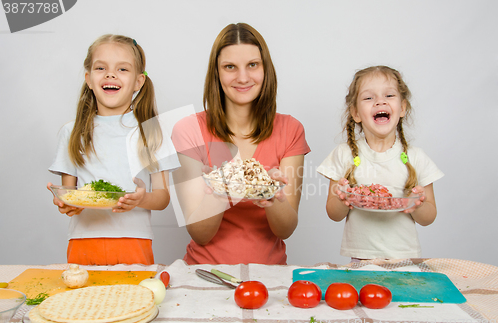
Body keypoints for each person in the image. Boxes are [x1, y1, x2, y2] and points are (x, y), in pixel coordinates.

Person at [171, 23, 311, 265]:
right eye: (230, 67)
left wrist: (272, 194)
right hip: (206, 275)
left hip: (270, 277)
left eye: (253, 65)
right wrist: (220, 190)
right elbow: (200, 234)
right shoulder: (187, 130)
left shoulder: (291, 130)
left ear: (265, 69)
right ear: (216, 73)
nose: (243, 77)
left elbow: (285, 229)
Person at [47, 34, 180, 265]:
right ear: (89, 79)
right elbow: (70, 194)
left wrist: (140, 199)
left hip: (134, 241)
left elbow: (162, 198)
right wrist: (66, 203)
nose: (110, 74)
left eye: (122, 69)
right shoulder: (72, 132)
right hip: (83, 241)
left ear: (139, 82)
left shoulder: (152, 132)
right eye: (101, 68)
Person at [317, 65, 444, 260]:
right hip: (361, 259)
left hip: (405, 258)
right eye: (369, 98)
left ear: (402, 108)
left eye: (389, 96)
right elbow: (333, 214)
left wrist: (418, 204)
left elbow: (429, 217)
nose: (380, 101)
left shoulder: (417, 157)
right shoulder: (344, 154)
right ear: (356, 113)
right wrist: (343, 198)